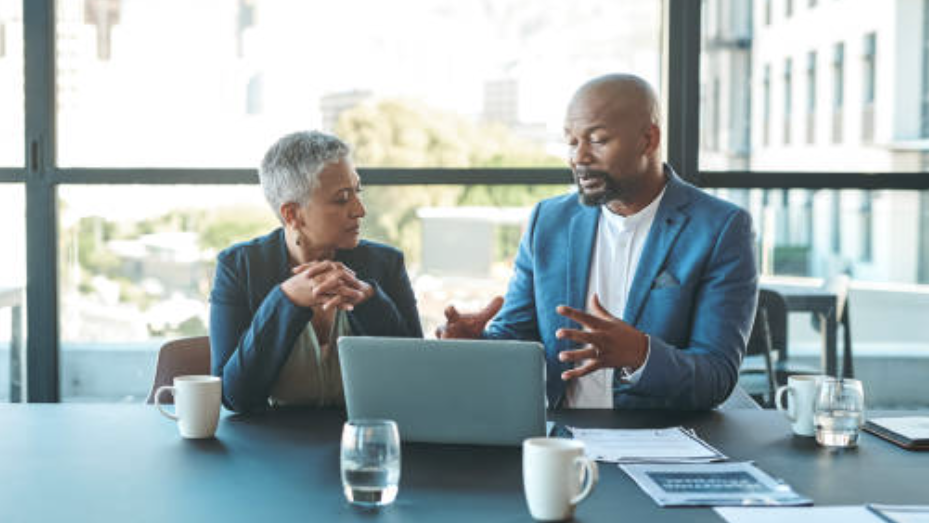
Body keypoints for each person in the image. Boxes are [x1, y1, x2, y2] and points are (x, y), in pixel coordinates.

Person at [438, 73, 758, 410]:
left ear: (648, 140)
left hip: (658, 439)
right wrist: (475, 347)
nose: (579, 158)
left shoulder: (721, 228)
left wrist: (641, 355)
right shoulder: (547, 222)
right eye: (572, 141)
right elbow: (517, 338)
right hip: (559, 436)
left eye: (598, 140)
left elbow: (717, 376)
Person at [210, 131, 422, 413]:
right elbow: (234, 397)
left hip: (366, 438)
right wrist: (284, 301)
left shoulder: (386, 265)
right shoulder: (238, 268)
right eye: (342, 198)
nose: (360, 210)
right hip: (273, 446)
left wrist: (371, 302)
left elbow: (415, 377)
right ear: (292, 215)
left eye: (357, 192)